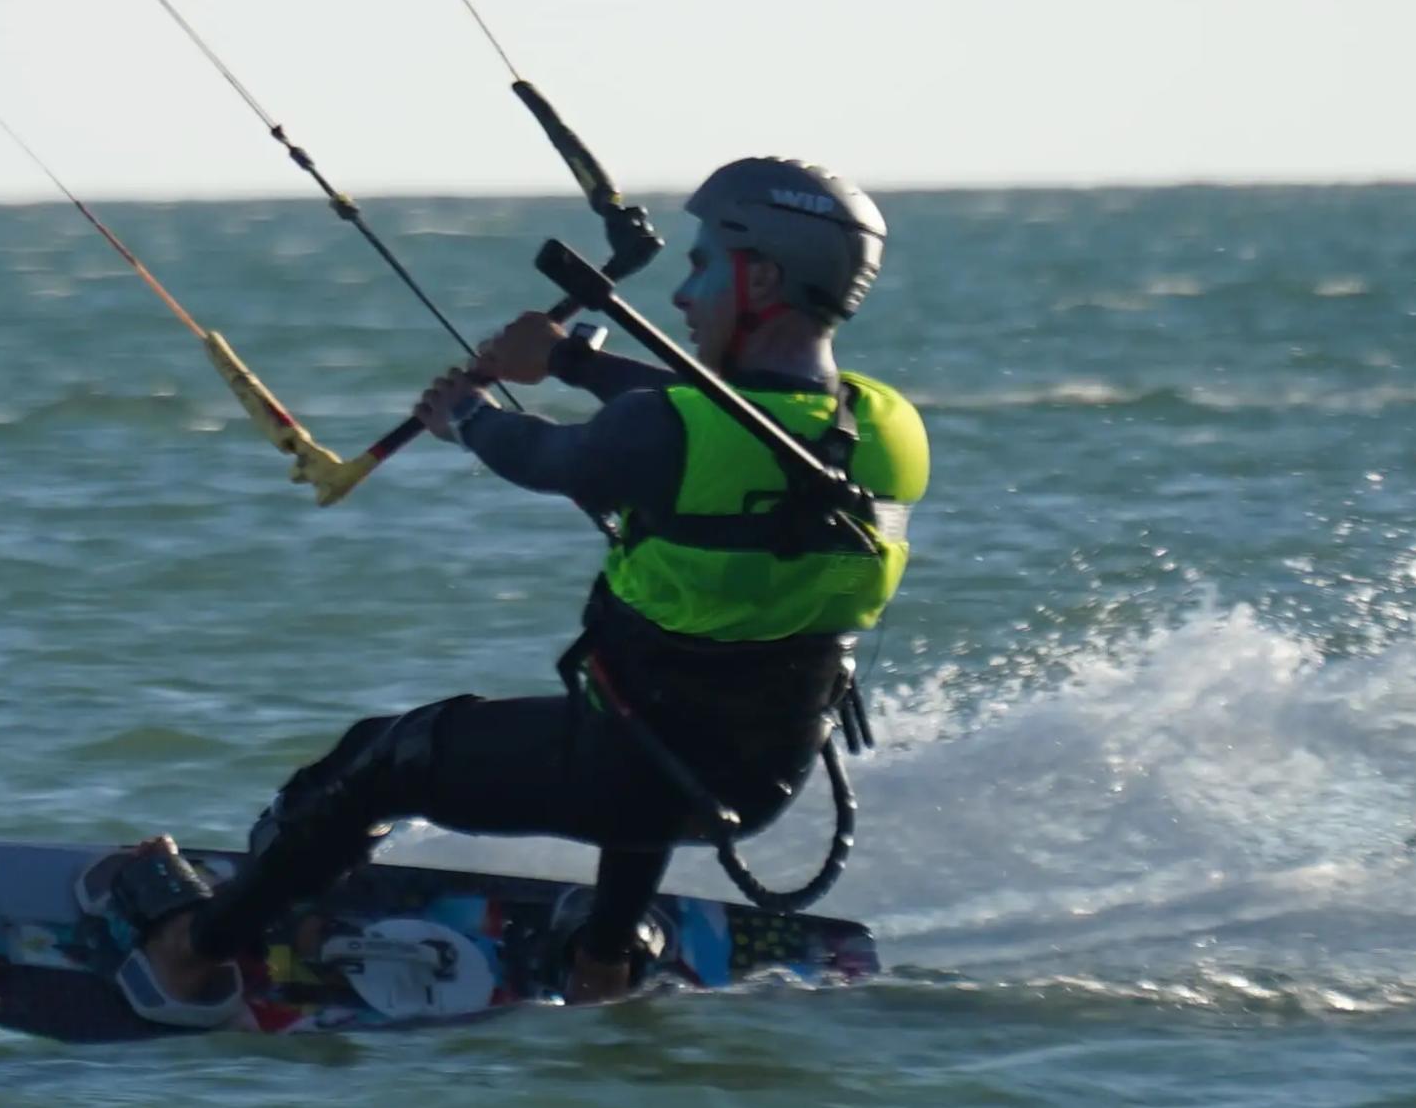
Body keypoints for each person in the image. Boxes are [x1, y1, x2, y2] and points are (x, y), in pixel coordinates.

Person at [87, 156, 929, 1023]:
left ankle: (192, 956)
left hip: (636, 766)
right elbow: (724, 416)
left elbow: (556, 455)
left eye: (702, 264)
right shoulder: (888, 428)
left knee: (388, 758)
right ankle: (604, 955)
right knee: (645, 720)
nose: (681, 296)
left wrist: (467, 417)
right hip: (750, 783)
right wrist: (568, 362)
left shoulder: (656, 435)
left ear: (761, 276)